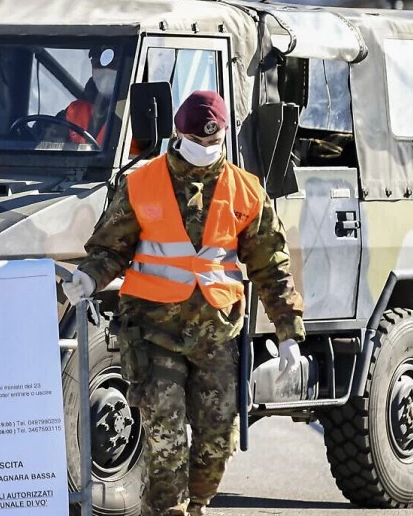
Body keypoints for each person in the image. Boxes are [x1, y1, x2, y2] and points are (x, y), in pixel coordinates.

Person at [62, 90, 306, 515]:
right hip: (153, 331)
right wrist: (89, 276)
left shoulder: (246, 191)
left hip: (217, 335)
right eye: (197, 141)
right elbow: (109, 248)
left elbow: (271, 266)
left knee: (218, 437)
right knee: (166, 436)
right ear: (178, 134)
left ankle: (195, 507)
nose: (206, 149)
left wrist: (288, 332)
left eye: (214, 142)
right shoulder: (142, 183)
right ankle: (169, 511)